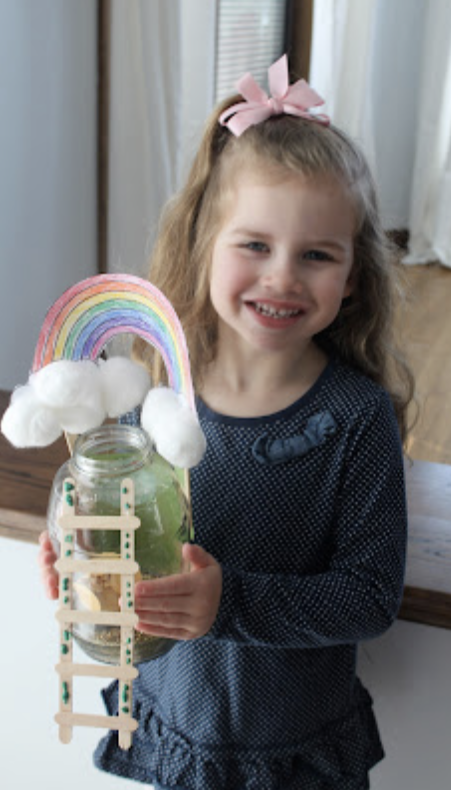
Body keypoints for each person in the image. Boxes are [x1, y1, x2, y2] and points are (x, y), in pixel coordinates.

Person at [38, 55, 415, 790]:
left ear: (353, 277)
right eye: (254, 245)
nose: (282, 276)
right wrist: (83, 563)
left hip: (295, 754)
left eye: (316, 255)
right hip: (176, 731)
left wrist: (228, 603)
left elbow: (370, 595)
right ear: (204, 243)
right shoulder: (150, 398)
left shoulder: (355, 418)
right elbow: (131, 550)